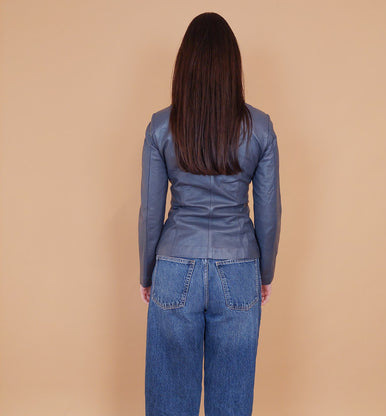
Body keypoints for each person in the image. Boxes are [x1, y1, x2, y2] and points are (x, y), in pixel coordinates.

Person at [138, 11, 282, 416]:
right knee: (232, 404)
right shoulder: (261, 128)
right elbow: (269, 213)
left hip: (173, 267)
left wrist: (148, 274)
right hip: (239, 269)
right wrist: (264, 274)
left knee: (169, 404)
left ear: (184, 66)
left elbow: (150, 211)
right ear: (233, 67)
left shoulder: (161, 126)